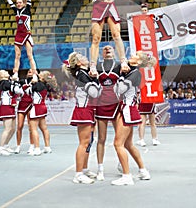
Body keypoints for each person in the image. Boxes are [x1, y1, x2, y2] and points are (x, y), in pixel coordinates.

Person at [111, 51, 156, 185]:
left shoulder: (135, 73)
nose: (131, 55)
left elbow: (119, 90)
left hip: (127, 109)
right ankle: (143, 171)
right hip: (126, 108)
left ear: (139, 61)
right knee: (128, 144)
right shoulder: (130, 71)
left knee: (118, 144)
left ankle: (127, 176)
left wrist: (120, 75)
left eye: (135, 55)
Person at [63, 52, 102, 184]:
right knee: (84, 142)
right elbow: (95, 93)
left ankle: (84, 169)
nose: (85, 57)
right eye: (81, 57)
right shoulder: (82, 75)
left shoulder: (85, 74)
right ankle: (78, 174)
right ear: (79, 63)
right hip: (84, 110)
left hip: (89, 109)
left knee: (89, 142)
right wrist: (96, 78)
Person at [0, 0, 37, 81]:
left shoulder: (27, 9)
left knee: (30, 55)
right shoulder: (16, 11)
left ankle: (34, 74)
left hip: (27, 34)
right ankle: (15, 73)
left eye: (20, 3)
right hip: (19, 35)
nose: (18, 4)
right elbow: (9, 1)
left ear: (24, 3)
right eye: (17, 3)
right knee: (17, 55)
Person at [95, 45, 121, 181]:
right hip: (101, 105)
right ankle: (100, 169)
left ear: (114, 52)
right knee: (101, 139)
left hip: (116, 105)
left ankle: (122, 164)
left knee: (119, 139)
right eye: (104, 49)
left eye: (110, 48)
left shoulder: (120, 66)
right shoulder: (97, 67)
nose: (107, 49)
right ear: (102, 53)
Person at [137, 3, 160, 147]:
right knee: (142, 120)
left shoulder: (150, 20)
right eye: (143, 10)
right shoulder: (140, 69)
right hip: (143, 95)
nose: (144, 12)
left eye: (146, 10)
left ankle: (154, 138)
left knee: (152, 119)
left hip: (150, 94)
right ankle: (141, 139)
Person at [29, 71, 57, 156]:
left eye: (40, 74)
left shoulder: (38, 85)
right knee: (44, 128)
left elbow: (26, 91)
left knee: (33, 129)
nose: (38, 74)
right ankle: (47, 147)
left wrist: (31, 83)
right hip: (43, 107)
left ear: (42, 78)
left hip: (37, 107)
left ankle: (37, 149)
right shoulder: (46, 85)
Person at [0, 70, 23, 156]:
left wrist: (15, 81)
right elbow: (18, 91)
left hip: (11, 107)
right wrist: (16, 81)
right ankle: (0, 148)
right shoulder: (4, 83)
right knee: (7, 129)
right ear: (2, 76)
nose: (7, 72)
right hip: (6, 107)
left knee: (13, 129)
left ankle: (6, 145)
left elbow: (18, 90)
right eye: (4, 72)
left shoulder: (9, 82)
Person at [14, 69, 34, 154]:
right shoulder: (22, 81)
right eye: (29, 71)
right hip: (22, 105)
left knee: (31, 127)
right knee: (19, 126)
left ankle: (32, 145)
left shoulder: (36, 82)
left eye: (32, 71)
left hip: (31, 105)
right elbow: (17, 91)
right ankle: (18, 146)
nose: (30, 72)